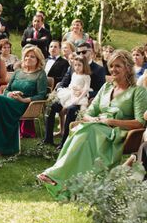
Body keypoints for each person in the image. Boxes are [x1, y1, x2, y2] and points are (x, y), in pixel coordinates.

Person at [38, 50, 147, 198]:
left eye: (118, 66)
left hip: (118, 132)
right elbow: (88, 112)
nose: (113, 69)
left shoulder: (137, 91)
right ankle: (69, 180)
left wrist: (111, 121)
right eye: (111, 66)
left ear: (128, 68)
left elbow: (140, 122)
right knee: (82, 129)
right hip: (96, 126)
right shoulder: (106, 88)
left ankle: (57, 175)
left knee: (85, 131)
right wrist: (93, 120)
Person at [43, 42, 107, 148]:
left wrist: (85, 93)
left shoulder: (99, 69)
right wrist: (59, 90)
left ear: (91, 52)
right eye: (78, 52)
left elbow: (101, 90)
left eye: (84, 52)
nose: (81, 54)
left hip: (84, 99)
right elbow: (64, 82)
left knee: (72, 109)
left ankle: (64, 143)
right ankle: (48, 139)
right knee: (52, 105)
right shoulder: (74, 66)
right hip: (69, 94)